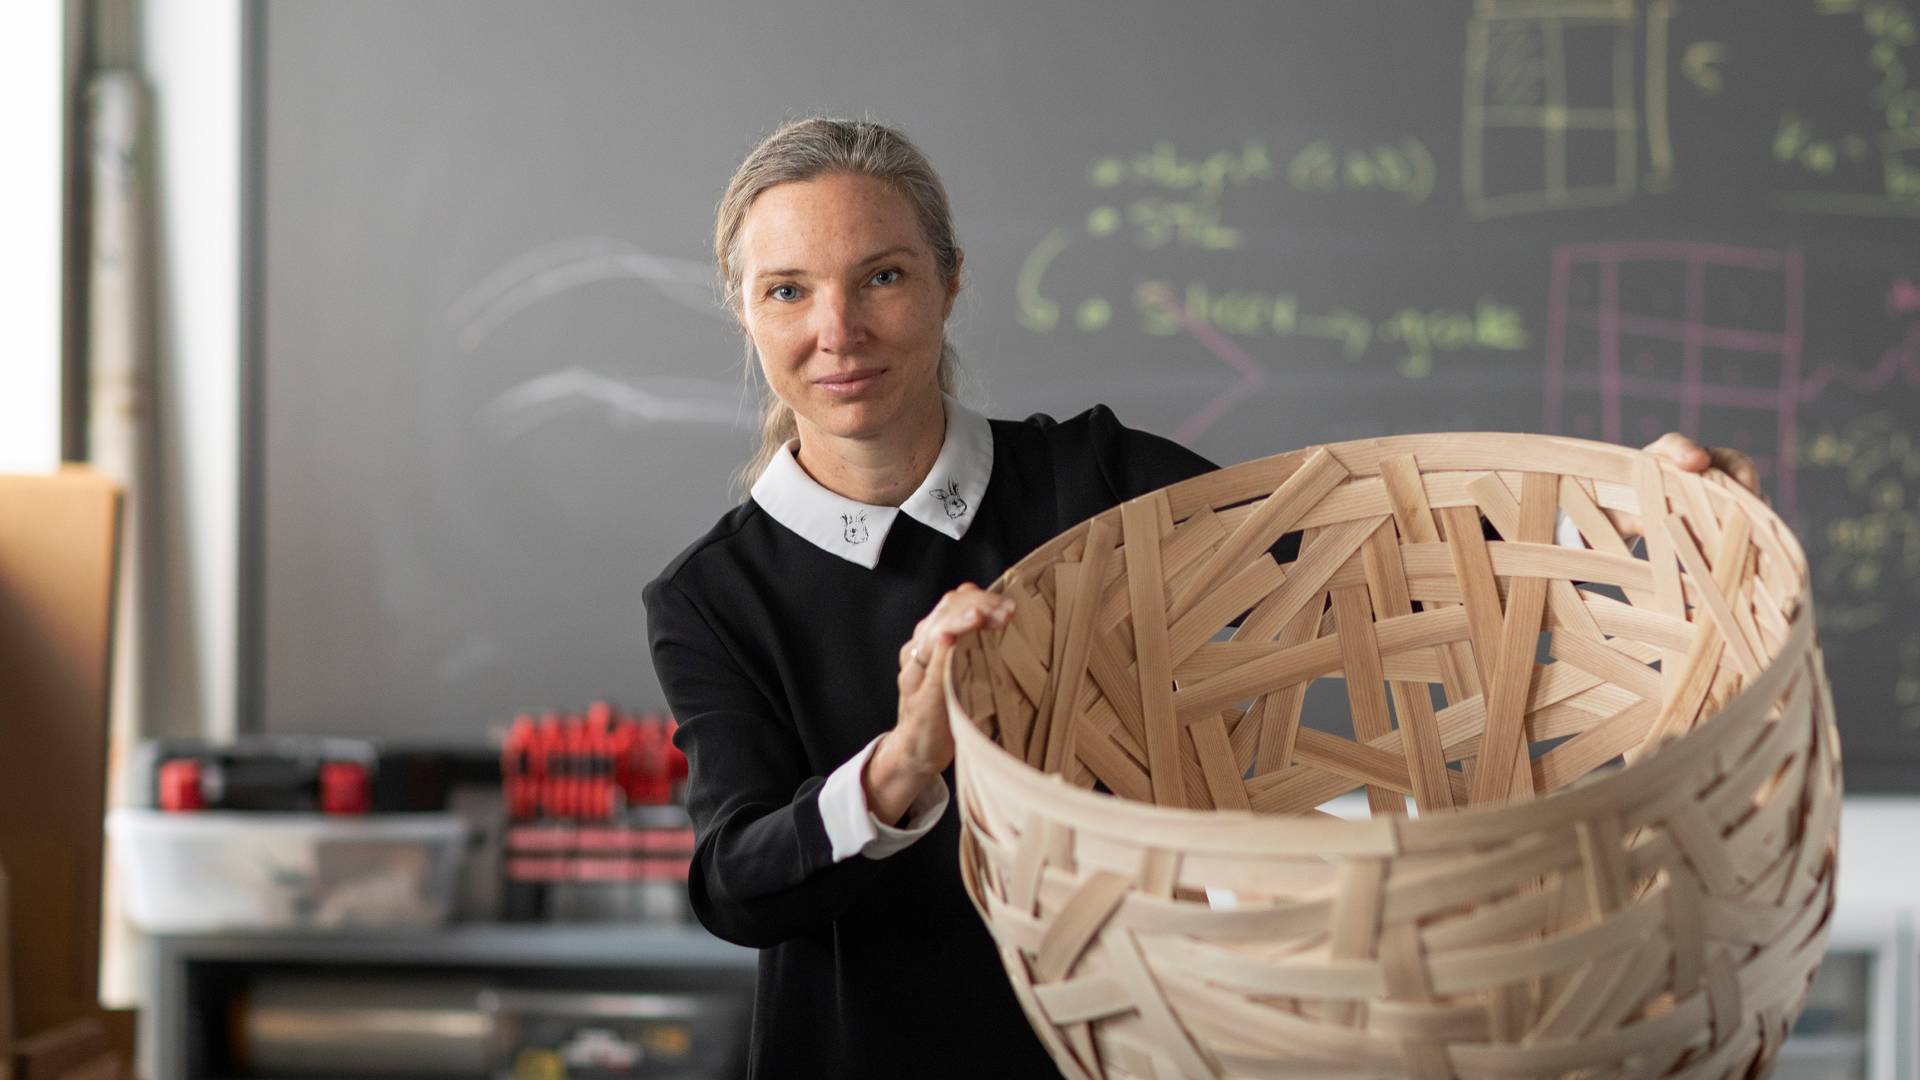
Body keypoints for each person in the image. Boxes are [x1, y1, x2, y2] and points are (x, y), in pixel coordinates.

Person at [642, 117, 1759, 1078]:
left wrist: (1626, 516)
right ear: (744, 310)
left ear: (949, 280)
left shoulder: (1097, 479)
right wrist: (901, 765)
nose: (837, 329)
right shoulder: (711, 597)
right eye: (789, 290)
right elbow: (734, 886)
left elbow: (1363, 568)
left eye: (881, 276)